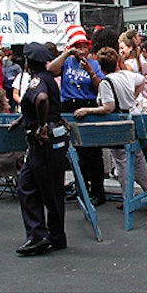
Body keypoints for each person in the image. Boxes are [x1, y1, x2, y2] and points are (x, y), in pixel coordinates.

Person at [9, 43, 70, 256]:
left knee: (48, 190)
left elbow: (41, 100)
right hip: (51, 140)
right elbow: (38, 104)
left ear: (27, 61)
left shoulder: (37, 80)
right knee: (28, 185)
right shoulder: (48, 77)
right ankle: (43, 235)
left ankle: (47, 236)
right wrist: (23, 119)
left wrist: (41, 125)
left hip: (43, 142)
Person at [73, 47, 147, 209]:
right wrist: (133, 98)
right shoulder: (127, 75)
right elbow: (142, 81)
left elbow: (108, 107)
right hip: (133, 117)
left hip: (119, 125)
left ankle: (127, 196)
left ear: (100, 67)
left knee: (122, 161)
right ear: (117, 62)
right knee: (138, 158)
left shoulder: (106, 83)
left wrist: (87, 110)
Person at [47, 25, 106, 207]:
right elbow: (51, 70)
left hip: (88, 106)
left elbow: (100, 87)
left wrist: (89, 71)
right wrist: (66, 54)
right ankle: (81, 187)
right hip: (69, 107)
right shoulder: (66, 62)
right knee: (75, 152)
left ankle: (97, 190)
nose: (82, 50)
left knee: (92, 152)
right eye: (78, 46)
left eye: (84, 46)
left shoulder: (94, 63)